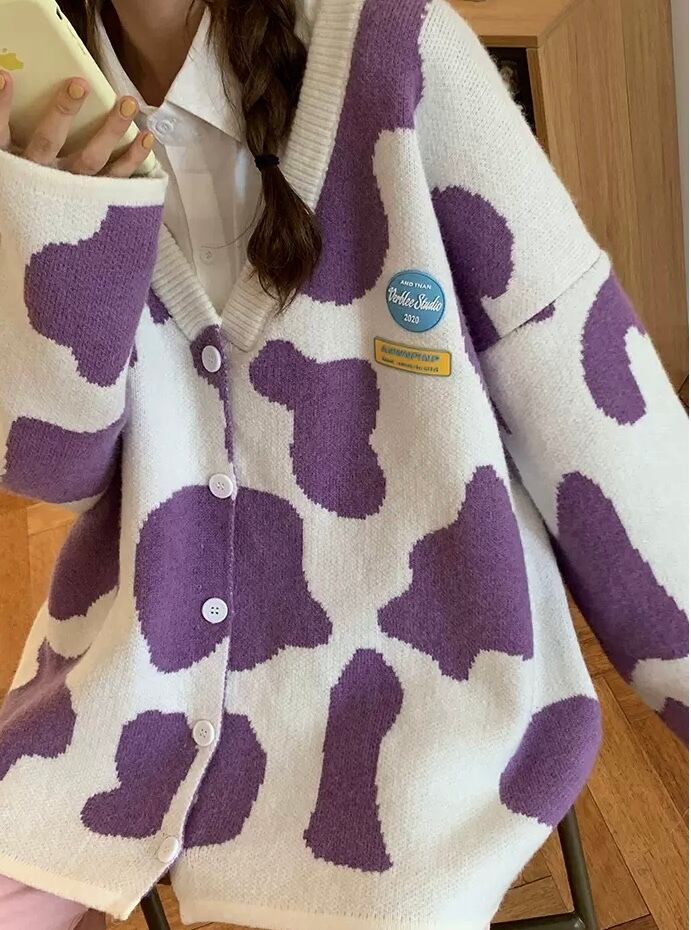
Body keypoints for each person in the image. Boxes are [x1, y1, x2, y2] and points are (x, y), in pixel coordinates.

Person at [0, 0, 687, 928]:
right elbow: (60, 472)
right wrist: (59, 232)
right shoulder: (32, 101)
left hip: (419, 689)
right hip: (130, 679)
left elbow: (591, 402)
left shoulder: (396, 48)